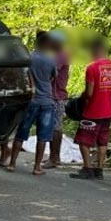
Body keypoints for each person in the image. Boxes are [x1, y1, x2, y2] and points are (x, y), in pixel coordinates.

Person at [70, 38, 111, 180]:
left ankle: (87, 168)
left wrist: (81, 98)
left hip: (92, 111)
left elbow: (89, 93)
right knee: (102, 142)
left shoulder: (92, 68)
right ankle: (99, 169)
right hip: (107, 112)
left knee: (84, 141)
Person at [7, 31, 57, 176]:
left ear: (36, 43)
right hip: (46, 101)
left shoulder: (28, 58)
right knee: (43, 136)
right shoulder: (50, 61)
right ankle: (37, 167)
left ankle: (12, 163)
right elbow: (53, 78)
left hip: (31, 101)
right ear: (47, 45)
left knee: (22, 132)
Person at [43, 30, 70, 169]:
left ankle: (54, 157)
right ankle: (54, 156)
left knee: (55, 127)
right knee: (54, 126)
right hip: (57, 95)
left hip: (56, 95)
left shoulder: (59, 56)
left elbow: (51, 73)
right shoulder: (60, 55)